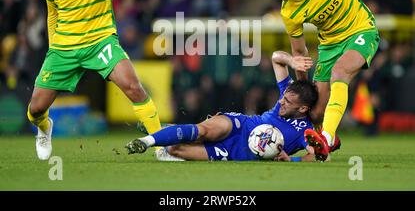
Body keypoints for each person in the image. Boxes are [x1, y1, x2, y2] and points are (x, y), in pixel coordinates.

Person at [27, 0, 162, 160]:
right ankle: (45, 128)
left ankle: (162, 147)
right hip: (64, 47)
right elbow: (53, 14)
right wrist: (54, 46)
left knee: (134, 87)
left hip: (101, 41)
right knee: (35, 109)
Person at [264, 0, 379, 161]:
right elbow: (299, 52)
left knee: (340, 71)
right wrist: (304, 91)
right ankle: (329, 141)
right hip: (329, 45)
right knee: (315, 113)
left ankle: (325, 137)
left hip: (360, 29)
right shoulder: (289, 12)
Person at [125, 51, 332, 162]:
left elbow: (321, 157)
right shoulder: (287, 90)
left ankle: (163, 130)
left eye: (287, 102)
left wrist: (290, 160)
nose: (281, 102)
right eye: (283, 97)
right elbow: (277, 58)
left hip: (238, 153)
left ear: (303, 109)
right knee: (202, 131)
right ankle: (147, 141)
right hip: (241, 125)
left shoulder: (304, 131)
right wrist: (292, 61)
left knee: (175, 149)